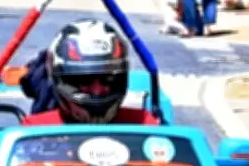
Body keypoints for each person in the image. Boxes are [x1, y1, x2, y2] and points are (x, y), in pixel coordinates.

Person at [15, 20, 159, 126]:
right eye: (84, 80)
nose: (97, 90)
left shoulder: (145, 126)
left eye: (107, 79)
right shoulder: (37, 129)